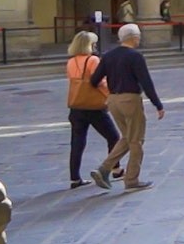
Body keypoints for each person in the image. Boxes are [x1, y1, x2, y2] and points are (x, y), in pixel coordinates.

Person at [89, 24, 164, 192]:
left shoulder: (108, 56)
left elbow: (94, 80)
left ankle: (104, 169)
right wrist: (157, 104)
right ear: (134, 37)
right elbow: (146, 81)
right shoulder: (135, 56)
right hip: (130, 99)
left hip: (113, 100)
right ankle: (131, 179)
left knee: (127, 137)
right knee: (136, 140)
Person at [65, 31, 120, 189]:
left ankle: (75, 177)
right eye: (94, 43)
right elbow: (100, 82)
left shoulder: (71, 62)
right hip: (93, 107)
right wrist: (110, 96)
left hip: (76, 106)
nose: (95, 46)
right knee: (113, 137)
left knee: (77, 142)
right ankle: (115, 168)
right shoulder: (93, 60)